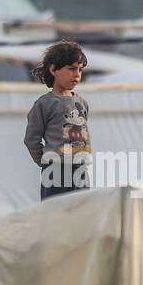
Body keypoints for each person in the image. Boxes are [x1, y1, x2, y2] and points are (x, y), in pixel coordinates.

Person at [24, 41, 92, 201]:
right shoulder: (45, 104)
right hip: (56, 169)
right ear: (54, 69)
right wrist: (45, 161)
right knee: (55, 213)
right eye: (72, 69)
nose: (77, 74)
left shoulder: (81, 102)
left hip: (80, 167)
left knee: (83, 209)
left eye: (80, 70)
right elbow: (31, 139)